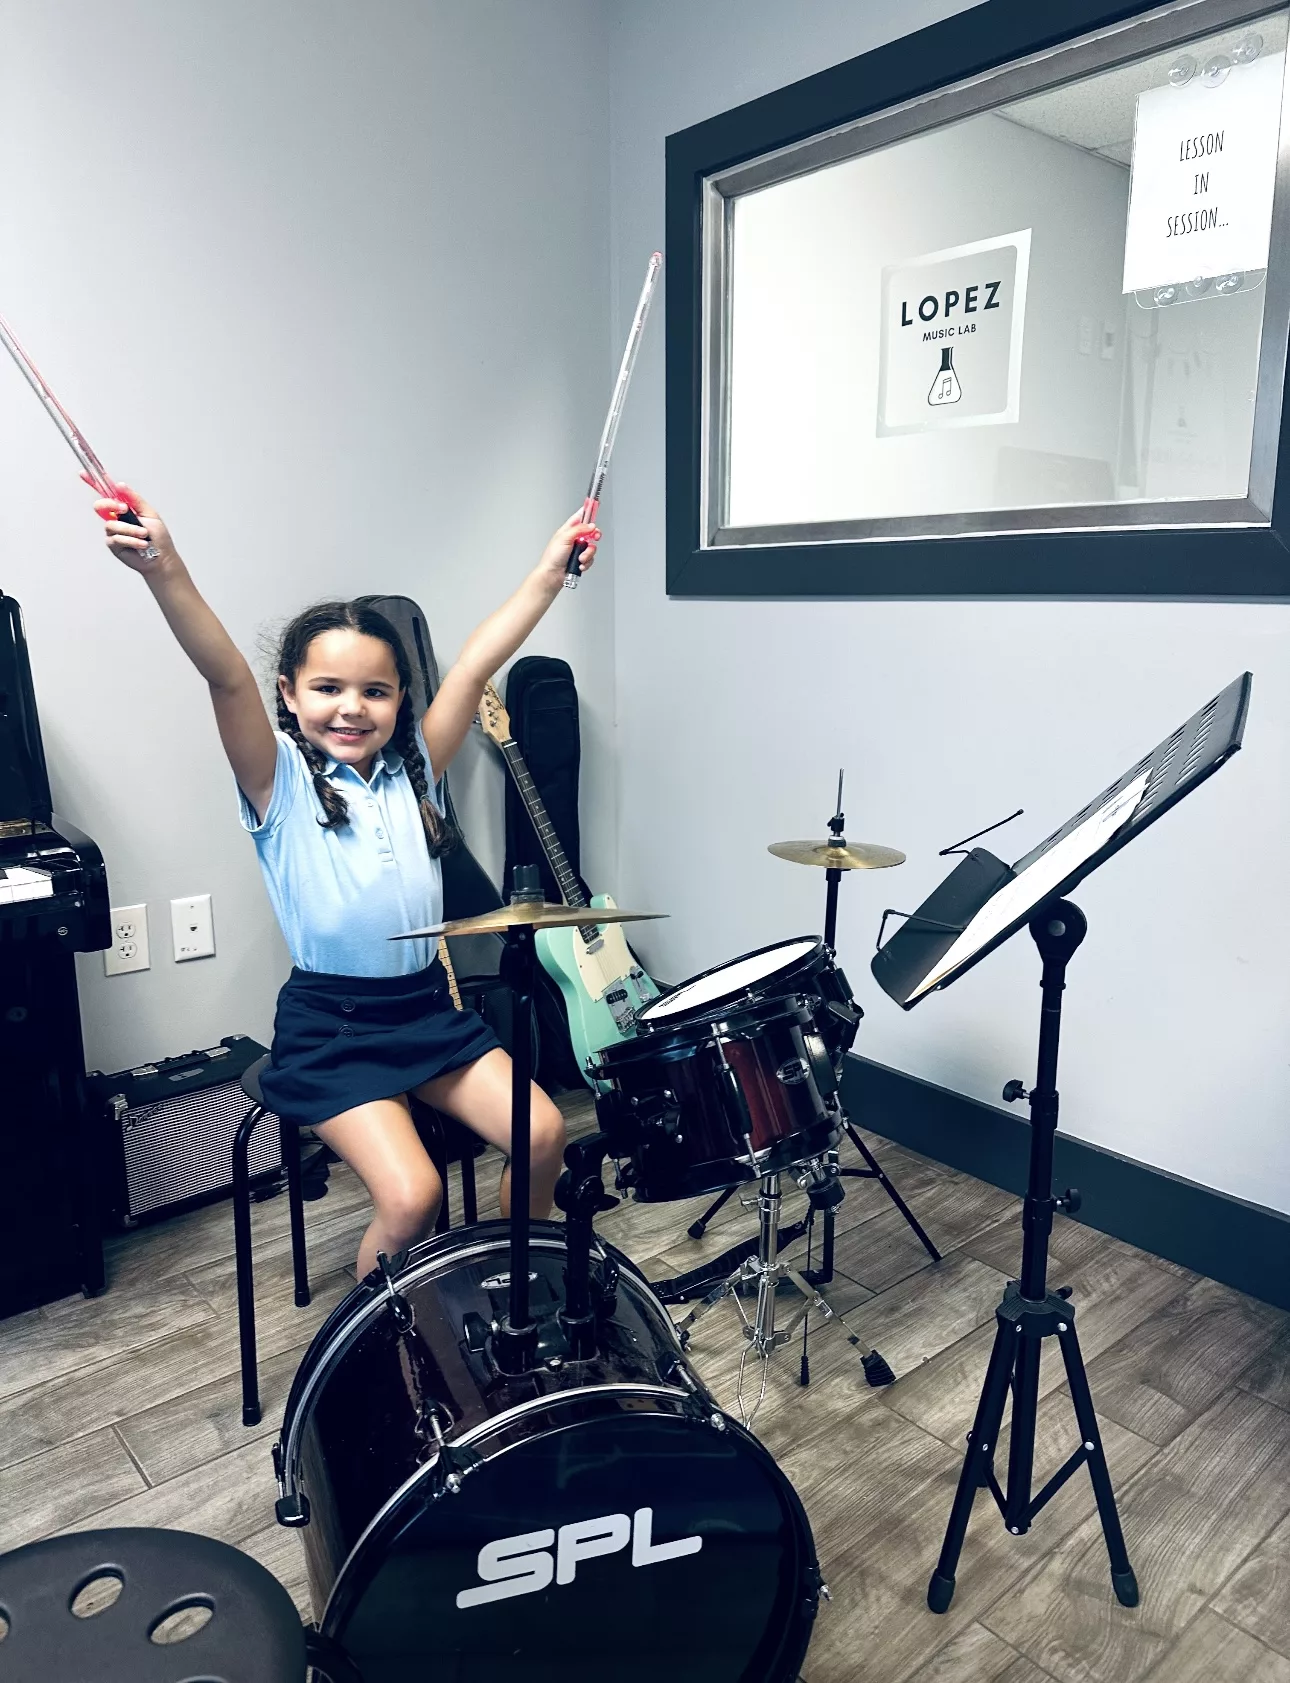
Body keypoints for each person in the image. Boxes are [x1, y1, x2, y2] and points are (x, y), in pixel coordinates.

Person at [93, 485, 600, 1279]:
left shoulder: (417, 772)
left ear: (401, 700)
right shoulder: (280, 782)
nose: (352, 708)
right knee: (411, 1197)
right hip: (333, 1030)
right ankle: (384, 1353)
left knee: (543, 1135)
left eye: (376, 690)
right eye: (327, 688)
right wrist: (166, 569)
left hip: (428, 1015)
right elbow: (227, 675)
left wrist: (548, 572)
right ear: (290, 697)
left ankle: (514, 1291)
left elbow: (474, 664)